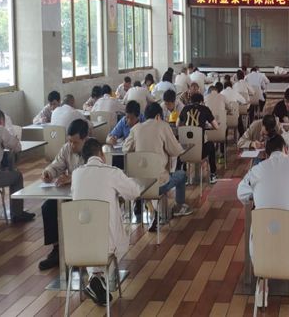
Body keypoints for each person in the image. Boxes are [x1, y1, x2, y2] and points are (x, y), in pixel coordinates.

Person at [237, 135, 289, 312]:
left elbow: (241, 194)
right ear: (286, 150)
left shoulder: (256, 170)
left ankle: (262, 290)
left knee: (265, 233)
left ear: (266, 154)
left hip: (262, 255)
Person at [72, 138, 141, 306]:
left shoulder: (76, 174)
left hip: (77, 247)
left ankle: (96, 278)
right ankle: (99, 278)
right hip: (107, 245)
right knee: (118, 236)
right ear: (101, 154)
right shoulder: (112, 172)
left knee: (90, 232)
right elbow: (134, 192)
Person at [123, 103, 193, 232]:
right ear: (158, 116)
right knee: (181, 175)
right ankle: (179, 207)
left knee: (150, 179)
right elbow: (176, 151)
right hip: (159, 184)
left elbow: (125, 149)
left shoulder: (136, 129)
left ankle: (153, 210)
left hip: (138, 185)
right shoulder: (163, 126)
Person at [39, 119, 89, 270]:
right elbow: (57, 164)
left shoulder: (93, 149)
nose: (72, 145)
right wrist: (48, 172)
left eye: (75, 142)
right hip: (69, 194)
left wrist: (72, 177)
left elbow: (92, 172)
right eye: (70, 141)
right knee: (48, 207)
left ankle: (81, 250)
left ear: (85, 138)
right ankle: (57, 249)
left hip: (87, 195)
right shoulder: (67, 148)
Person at [0, 110, 35, 223]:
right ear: (1, 121)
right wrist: (14, 140)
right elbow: (17, 147)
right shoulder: (0, 129)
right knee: (17, 176)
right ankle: (17, 213)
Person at [177, 93, 220, 184]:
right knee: (211, 145)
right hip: (200, 152)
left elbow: (178, 125)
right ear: (202, 101)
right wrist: (205, 126)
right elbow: (216, 127)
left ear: (191, 101)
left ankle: (182, 175)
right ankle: (213, 174)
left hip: (185, 152)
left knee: (182, 145)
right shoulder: (205, 109)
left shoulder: (185, 109)